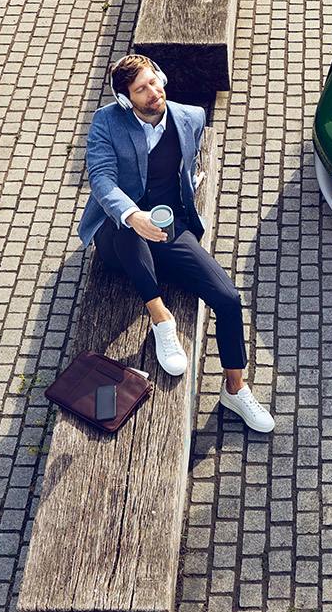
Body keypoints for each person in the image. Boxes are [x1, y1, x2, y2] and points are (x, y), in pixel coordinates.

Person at [76, 53, 273, 433]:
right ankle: (160, 318)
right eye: (141, 89)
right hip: (119, 232)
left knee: (228, 298)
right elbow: (101, 181)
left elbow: (189, 163)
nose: (154, 92)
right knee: (132, 233)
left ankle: (235, 388)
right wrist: (134, 215)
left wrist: (187, 189)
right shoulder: (105, 123)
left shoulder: (190, 117)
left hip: (169, 225)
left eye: (155, 82)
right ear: (124, 99)